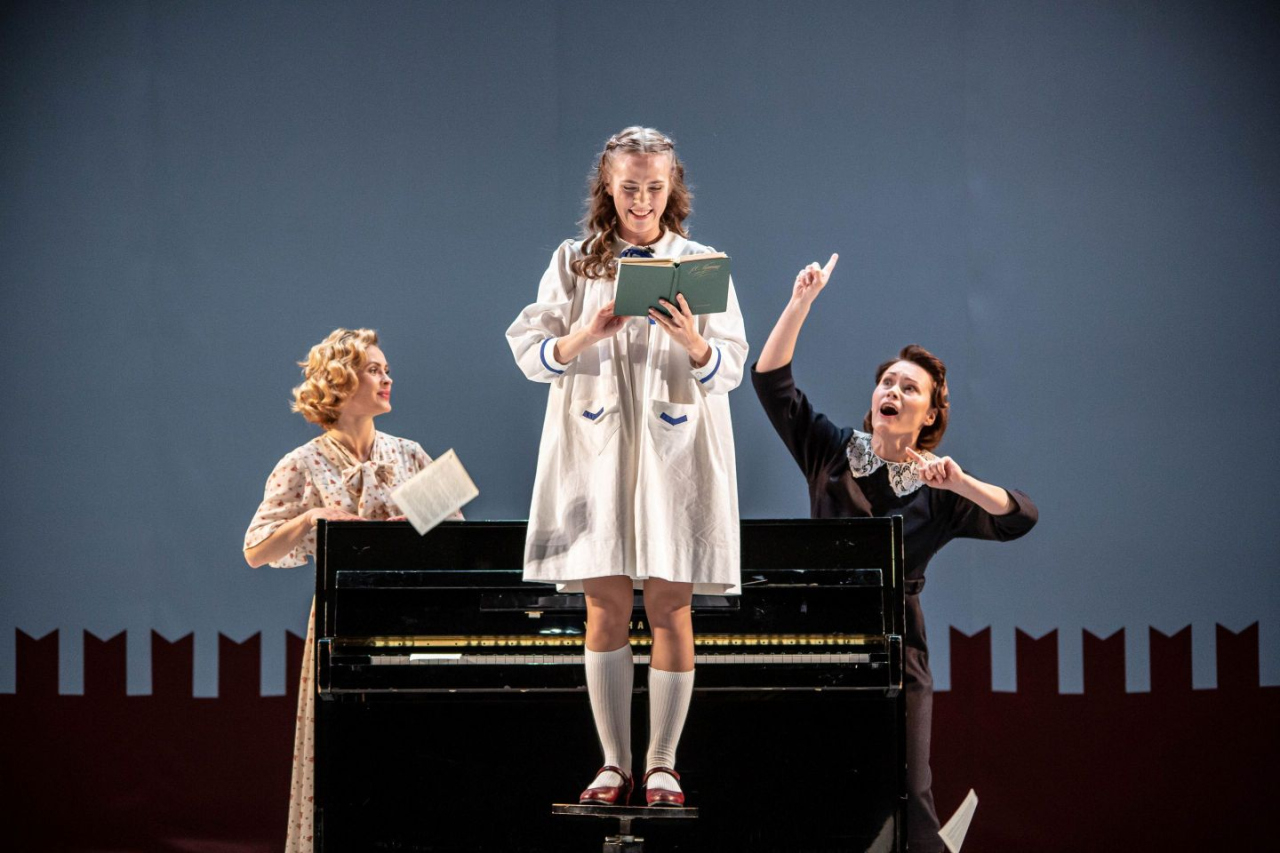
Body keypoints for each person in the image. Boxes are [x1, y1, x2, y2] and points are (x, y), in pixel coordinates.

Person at [752, 255, 1038, 852]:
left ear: (929, 414)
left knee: (908, 793)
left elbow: (1020, 518)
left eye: (910, 388)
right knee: (817, 789)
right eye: (887, 382)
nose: (893, 391)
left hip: (898, 647)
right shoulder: (832, 451)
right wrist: (801, 302)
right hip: (822, 638)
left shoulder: (939, 490)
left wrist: (963, 484)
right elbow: (771, 383)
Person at [506, 126, 748, 807]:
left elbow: (731, 364)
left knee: (672, 603)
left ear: (672, 189)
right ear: (607, 188)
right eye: (629, 187)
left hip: (678, 450)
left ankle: (663, 763)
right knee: (605, 603)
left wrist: (694, 342)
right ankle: (613, 763)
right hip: (598, 449)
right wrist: (587, 333)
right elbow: (529, 351)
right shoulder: (575, 262)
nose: (642, 200)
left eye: (654, 187)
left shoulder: (700, 263)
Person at [244, 328, 439, 852]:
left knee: (417, 758)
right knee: (347, 756)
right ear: (339, 382)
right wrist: (312, 517)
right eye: (374, 370)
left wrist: (416, 530)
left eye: (386, 369)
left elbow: (457, 544)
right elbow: (255, 550)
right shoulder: (301, 463)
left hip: (414, 624)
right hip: (343, 624)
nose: (386, 378)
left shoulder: (411, 454)